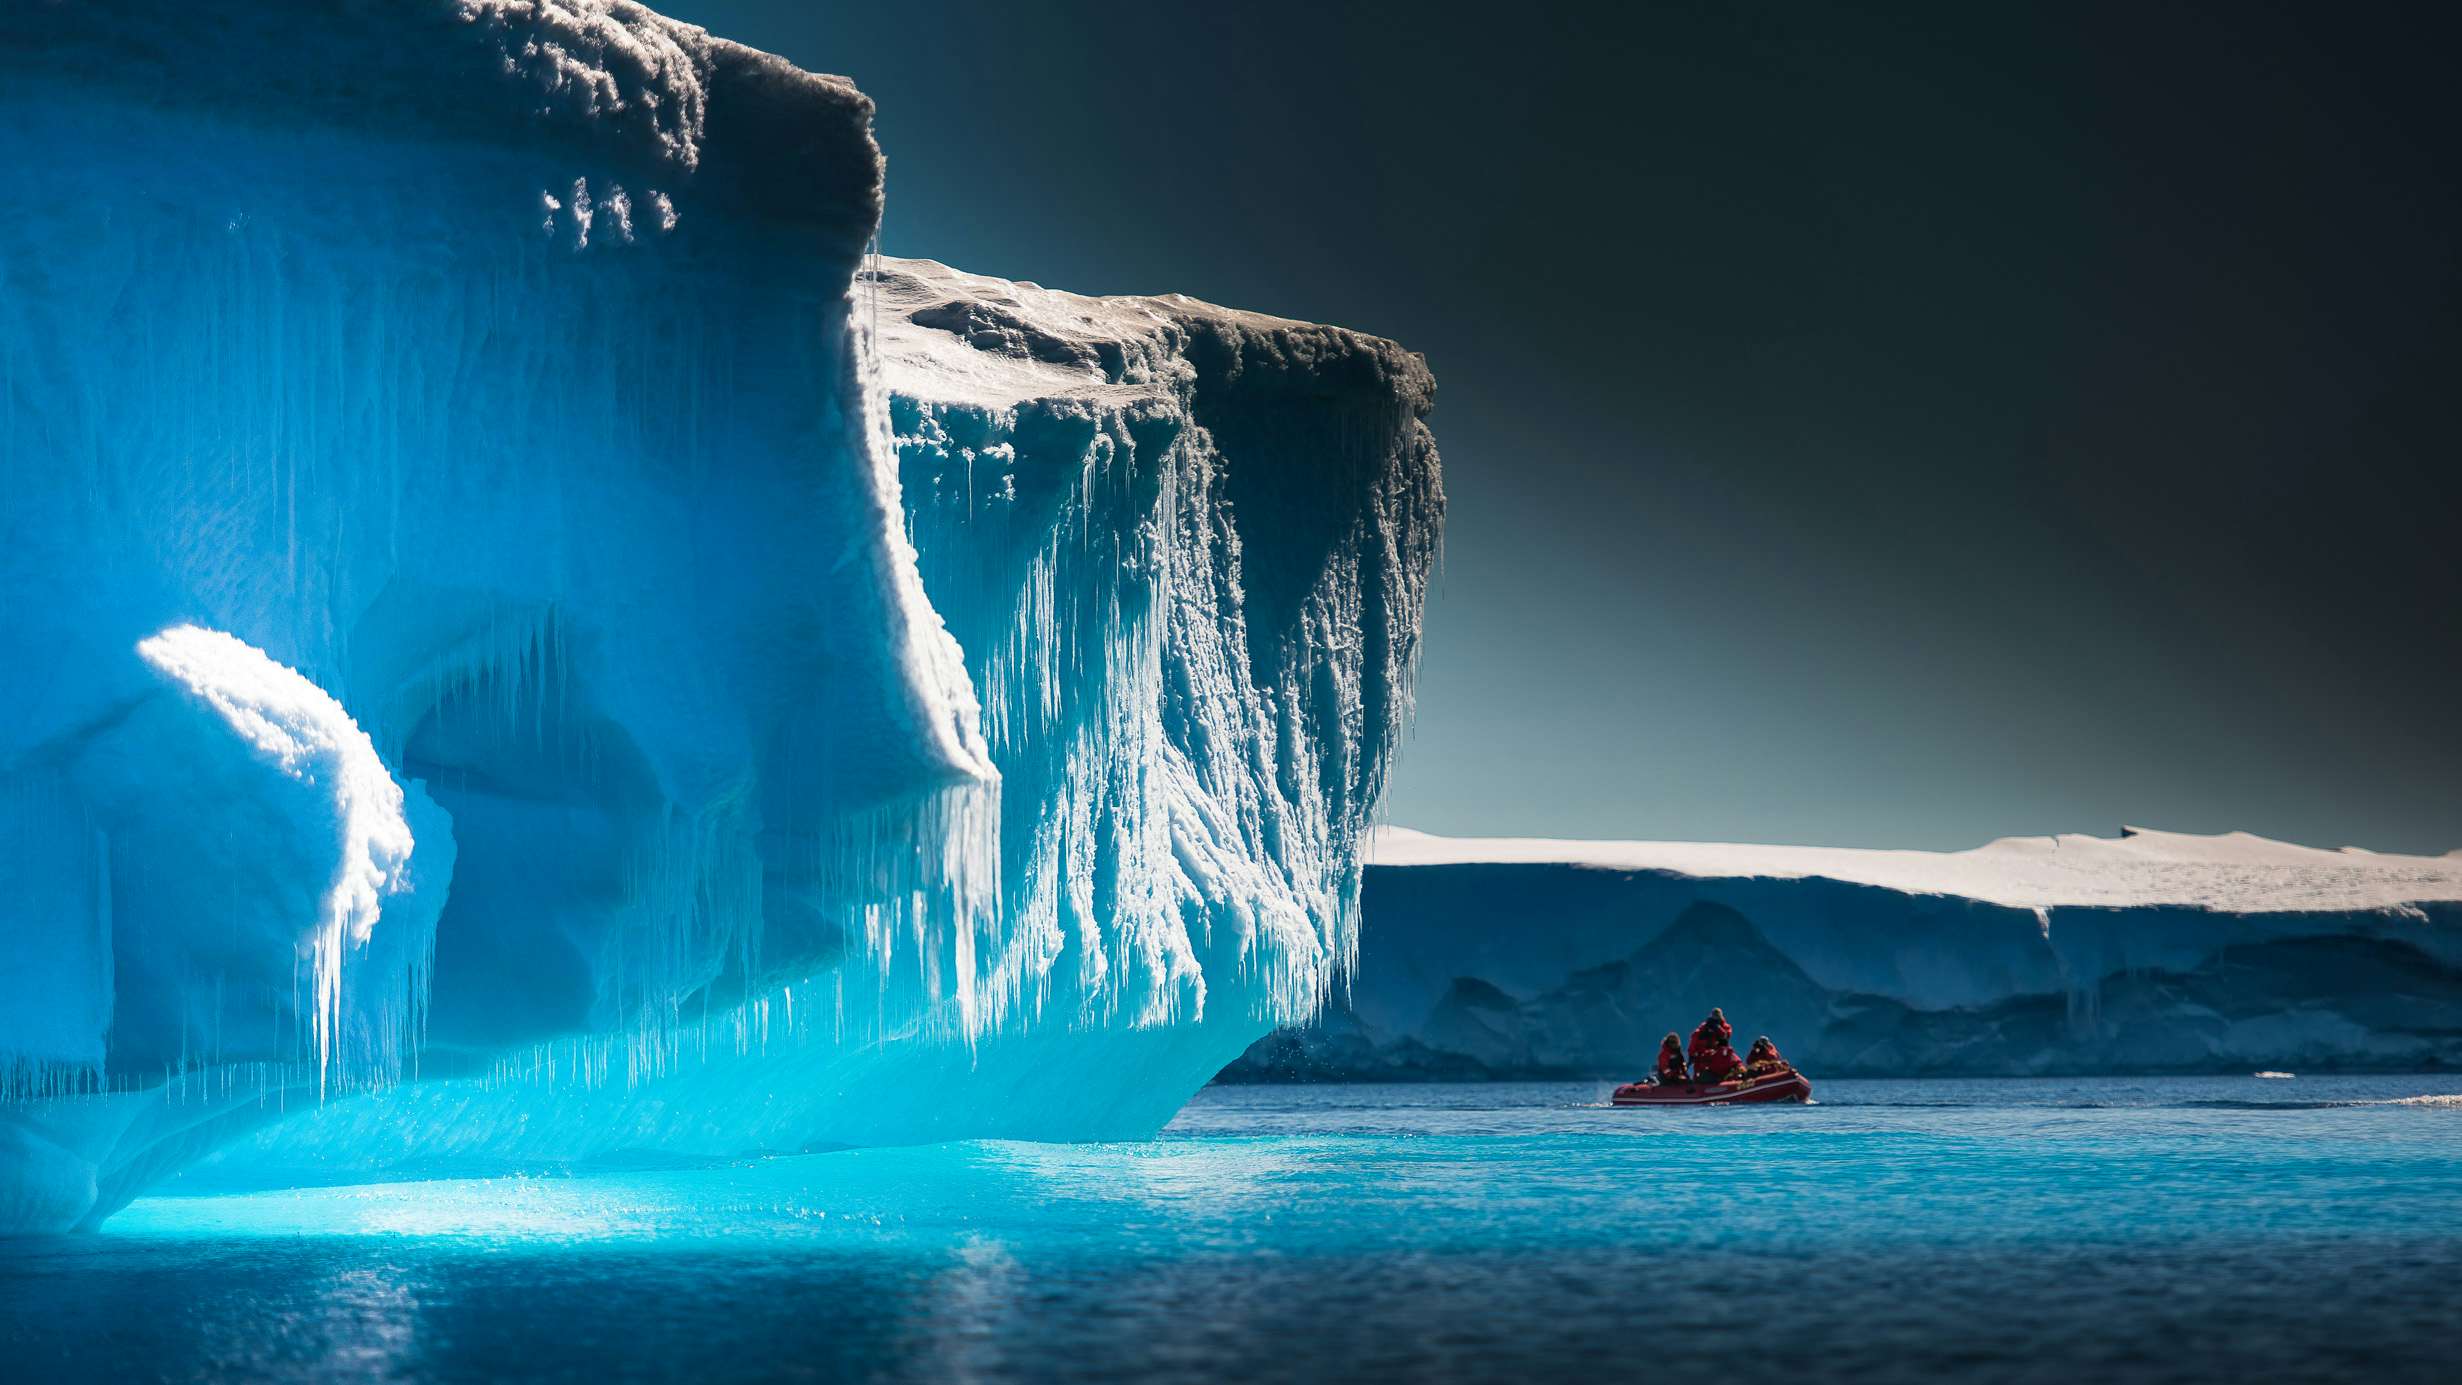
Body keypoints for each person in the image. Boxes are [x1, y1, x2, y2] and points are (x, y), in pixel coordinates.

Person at [1688, 1007, 1743, 1080]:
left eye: (1718, 1018)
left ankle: (1739, 1076)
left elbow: (1726, 1035)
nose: (1716, 1020)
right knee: (1701, 1071)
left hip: (1720, 1053)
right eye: (1715, 1018)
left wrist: (1718, 1028)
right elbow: (1694, 1038)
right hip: (1705, 1055)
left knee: (1731, 1060)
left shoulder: (1725, 1027)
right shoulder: (1704, 1027)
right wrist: (1691, 1054)